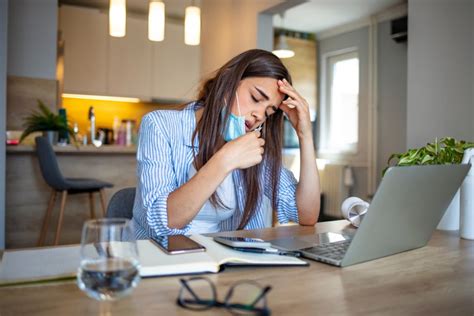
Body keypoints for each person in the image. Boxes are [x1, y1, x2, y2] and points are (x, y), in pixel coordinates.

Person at [132, 49, 320, 238]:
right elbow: (163, 222)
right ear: (228, 82)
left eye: (269, 112)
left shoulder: (254, 146)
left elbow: (306, 214)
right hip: (164, 259)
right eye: (255, 98)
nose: (259, 115)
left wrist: (305, 134)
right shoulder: (160, 125)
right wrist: (225, 160)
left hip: (227, 263)